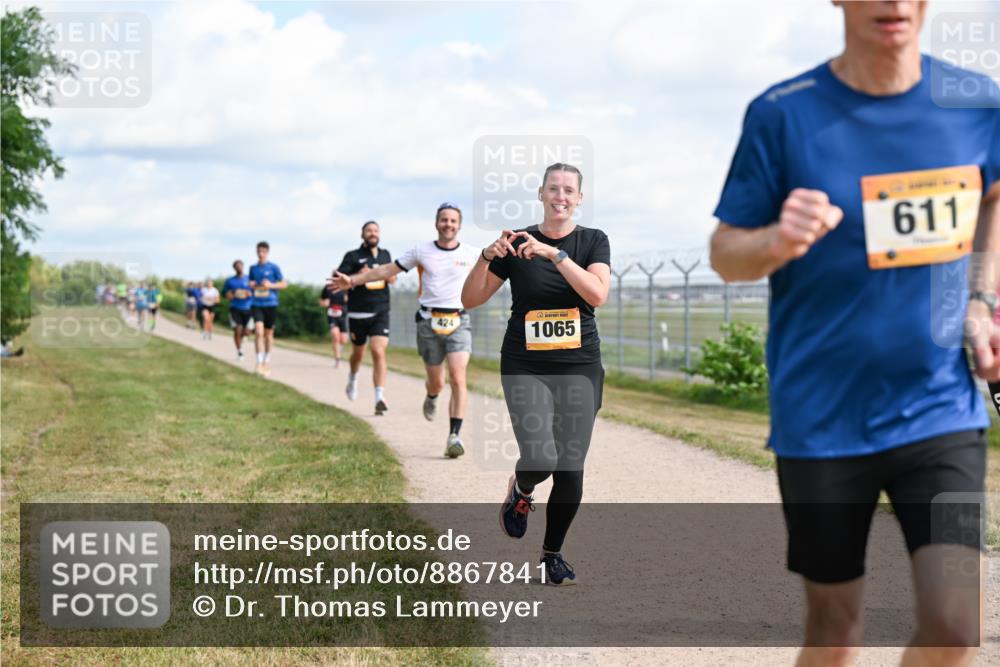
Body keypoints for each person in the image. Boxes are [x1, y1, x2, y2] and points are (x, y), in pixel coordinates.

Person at [708, 2, 1000, 665]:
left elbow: (992, 197)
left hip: (940, 409)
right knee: (835, 626)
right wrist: (778, 238)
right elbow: (726, 253)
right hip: (822, 418)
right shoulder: (782, 112)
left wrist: (981, 298)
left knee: (956, 625)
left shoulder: (977, 104)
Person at [462, 163, 610, 586]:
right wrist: (487, 255)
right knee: (542, 455)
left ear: (579, 197)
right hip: (525, 363)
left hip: (580, 366)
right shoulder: (517, 242)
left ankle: (551, 555)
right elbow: (470, 298)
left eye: (569, 190)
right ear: (541, 194)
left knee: (570, 467)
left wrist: (555, 254)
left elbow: (597, 293)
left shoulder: (592, 241)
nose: (560, 196)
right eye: (553, 189)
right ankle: (522, 490)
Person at [331, 203, 478, 455]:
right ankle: (432, 397)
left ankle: (454, 435)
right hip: (428, 322)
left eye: (453, 221)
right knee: (437, 383)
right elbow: (387, 270)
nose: (448, 224)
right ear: (436, 223)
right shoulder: (422, 251)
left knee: (457, 376)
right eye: (444, 220)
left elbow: (498, 269)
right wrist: (353, 280)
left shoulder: (472, 253)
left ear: (459, 225)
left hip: (459, 320)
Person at [332, 221, 395, 415]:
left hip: (381, 310)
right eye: (369, 231)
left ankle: (379, 396)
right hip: (358, 312)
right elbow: (338, 277)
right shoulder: (353, 256)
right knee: (358, 353)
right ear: (362, 234)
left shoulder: (386, 255)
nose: (373, 233)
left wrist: (382, 275)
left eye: (376, 231)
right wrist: (359, 275)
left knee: (378, 350)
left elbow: (392, 278)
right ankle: (352, 378)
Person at [248, 241, 287, 376]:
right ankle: (258, 362)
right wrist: (251, 284)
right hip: (257, 304)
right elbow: (251, 283)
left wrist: (271, 285)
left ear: (267, 252)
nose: (260, 253)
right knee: (258, 332)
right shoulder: (253, 268)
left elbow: (284, 284)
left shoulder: (274, 267)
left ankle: (266, 361)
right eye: (258, 251)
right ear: (256, 252)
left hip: (271, 304)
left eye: (263, 251)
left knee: (268, 335)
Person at [224, 260, 253, 362]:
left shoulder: (250, 279)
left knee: (247, 332)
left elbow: (257, 291)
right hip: (235, 308)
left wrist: (249, 293)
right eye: (236, 266)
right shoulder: (230, 281)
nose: (239, 267)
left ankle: (244, 336)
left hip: (248, 308)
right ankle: (240, 351)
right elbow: (225, 294)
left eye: (240, 265)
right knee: (237, 329)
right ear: (234, 268)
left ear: (243, 266)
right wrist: (231, 295)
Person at [319, 271, 349, 369]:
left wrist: (347, 299)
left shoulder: (345, 287)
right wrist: (324, 303)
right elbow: (321, 300)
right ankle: (337, 359)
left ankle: (339, 350)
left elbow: (351, 299)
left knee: (343, 340)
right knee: (335, 335)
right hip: (332, 315)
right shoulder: (328, 288)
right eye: (334, 276)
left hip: (343, 315)